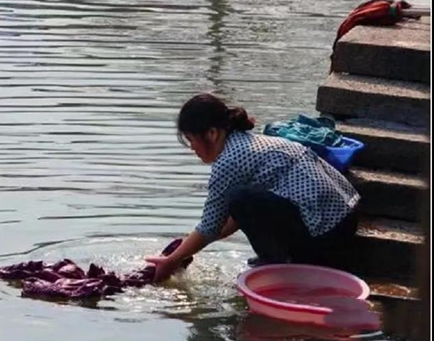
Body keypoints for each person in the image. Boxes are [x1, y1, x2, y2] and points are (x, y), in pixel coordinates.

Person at [145, 93, 360, 281]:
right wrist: (185, 247)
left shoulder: (229, 160)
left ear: (212, 133)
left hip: (328, 234)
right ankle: (277, 257)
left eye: (192, 140)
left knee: (239, 197)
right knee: (241, 200)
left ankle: (279, 265)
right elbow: (227, 221)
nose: (192, 148)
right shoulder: (248, 142)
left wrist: (172, 261)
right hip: (345, 217)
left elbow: (211, 226)